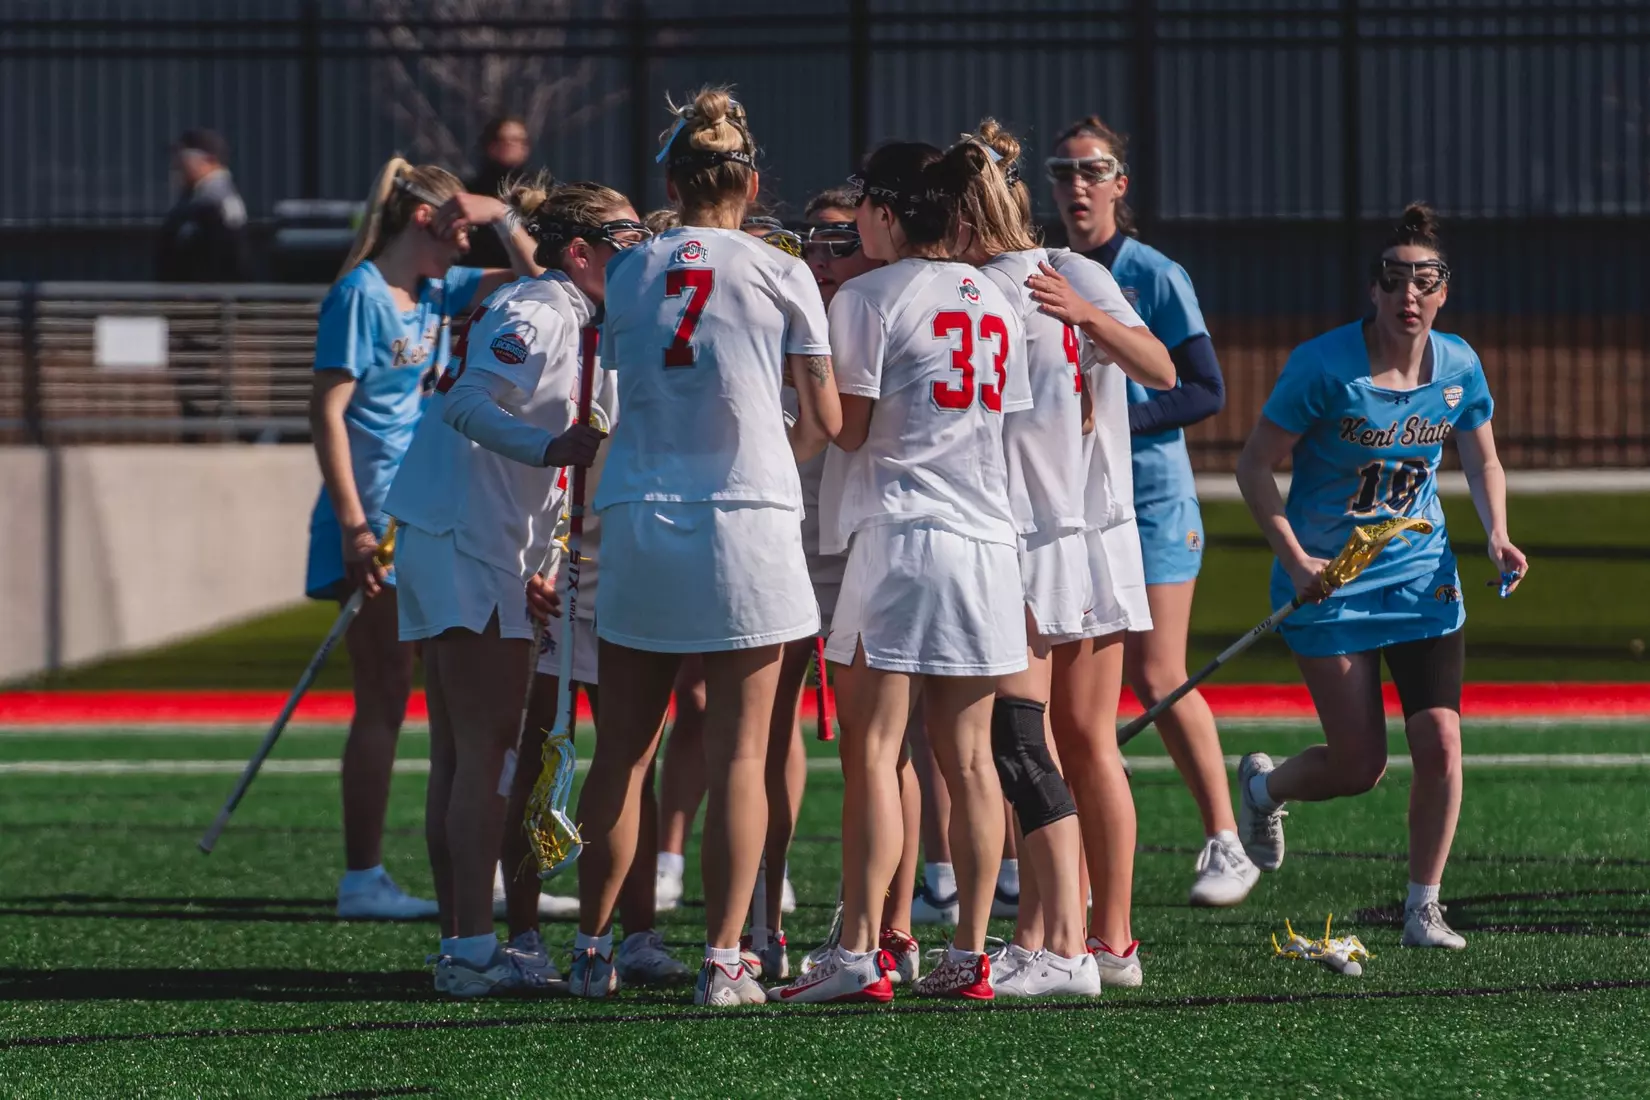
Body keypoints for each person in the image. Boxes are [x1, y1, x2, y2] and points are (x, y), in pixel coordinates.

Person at [570, 87, 841, 1008]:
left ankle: (592, 951)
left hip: (643, 515)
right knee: (741, 753)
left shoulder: (633, 269)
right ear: (751, 180)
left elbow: (617, 390)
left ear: (672, 180)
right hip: (748, 521)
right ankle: (727, 958)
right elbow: (827, 419)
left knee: (623, 754)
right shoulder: (782, 269)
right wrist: (775, 450)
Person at [772, 139, 1029, 1005]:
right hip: (988, 543)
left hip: (902, 538)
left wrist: (802, 360)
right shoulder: (992, 294)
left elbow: (846, 429)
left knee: (877, 755)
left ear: (884, 213)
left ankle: (855, 951)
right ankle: (968, 955)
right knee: (969, 762)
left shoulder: (872, 297)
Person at [1233, 204, 1527, 952]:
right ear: (1374, 289)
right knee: (1360, 765)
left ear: (1443, 291)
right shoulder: (1323, 367)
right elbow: (1252, 465)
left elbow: (1482, 455)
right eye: (1395, 280)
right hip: (1329, 586)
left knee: (1440, 745)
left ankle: (1422, 907)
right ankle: (1265, 789)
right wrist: (1296, 558)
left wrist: (1496, 533)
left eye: (1424, 282)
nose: (1409, 296)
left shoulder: (1458, 365)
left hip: (1420, 579)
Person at [382, 176, 620, 995]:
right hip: (464, 543)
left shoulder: (574, 313)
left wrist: (546, 551)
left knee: (461, 754)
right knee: (482, 754)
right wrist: (552, 451)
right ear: (581, 252)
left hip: (471, 539)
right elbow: (468, 405)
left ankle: (465, 944)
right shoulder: (541, 310)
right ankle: (474, 951)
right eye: (624, 241)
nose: (641, 256)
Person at [958, 120, 1175, 994]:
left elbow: (1161, 366)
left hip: (1073, 535)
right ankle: (1068, 938)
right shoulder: (971, 285)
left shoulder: (1068, 273)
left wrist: (1088, 317)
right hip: (1035, 533)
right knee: (1055, 738)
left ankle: (1089, 941)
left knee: (1066, 739)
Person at [308, 158, 535, 921]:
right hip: (374, 515)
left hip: (432, 514)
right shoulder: (360, 293)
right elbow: (328, 411)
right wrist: (352, 525)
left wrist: (500, 213)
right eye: (460, 225)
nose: (470, 239)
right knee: (384, 696)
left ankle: (473, 865)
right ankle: (362, 875)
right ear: (424, 221)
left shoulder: (440, 290)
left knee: (452, 702)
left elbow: (540, 281)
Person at [1050, 114, 1259, 907]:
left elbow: (1204, 388)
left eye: (1092, 170)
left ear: (1119, 183)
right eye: (1064, 171)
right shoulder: (1052, 267)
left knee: (1157, 670)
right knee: (1075, 690)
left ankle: (1225, 838)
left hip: (1152, 498)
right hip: (1078, 503)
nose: (1077, 185)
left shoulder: (1154, 272)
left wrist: (1116, 418)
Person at [159, 128, 253, 439]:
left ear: (207, 161)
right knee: (189, 376)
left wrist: (207, 296)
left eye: (184, 158)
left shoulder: (219, 201)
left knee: (200, 375)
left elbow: (232, 257)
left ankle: (243, 429)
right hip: (188, 308)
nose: (177, 165)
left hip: (205, 309)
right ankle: (199, 431)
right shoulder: (193, 199)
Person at [465, 116, 536, 269]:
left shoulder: (539, 191)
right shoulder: (471, 192)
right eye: (504, 140)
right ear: (490, 145)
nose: (511, 145)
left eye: (518, 140)